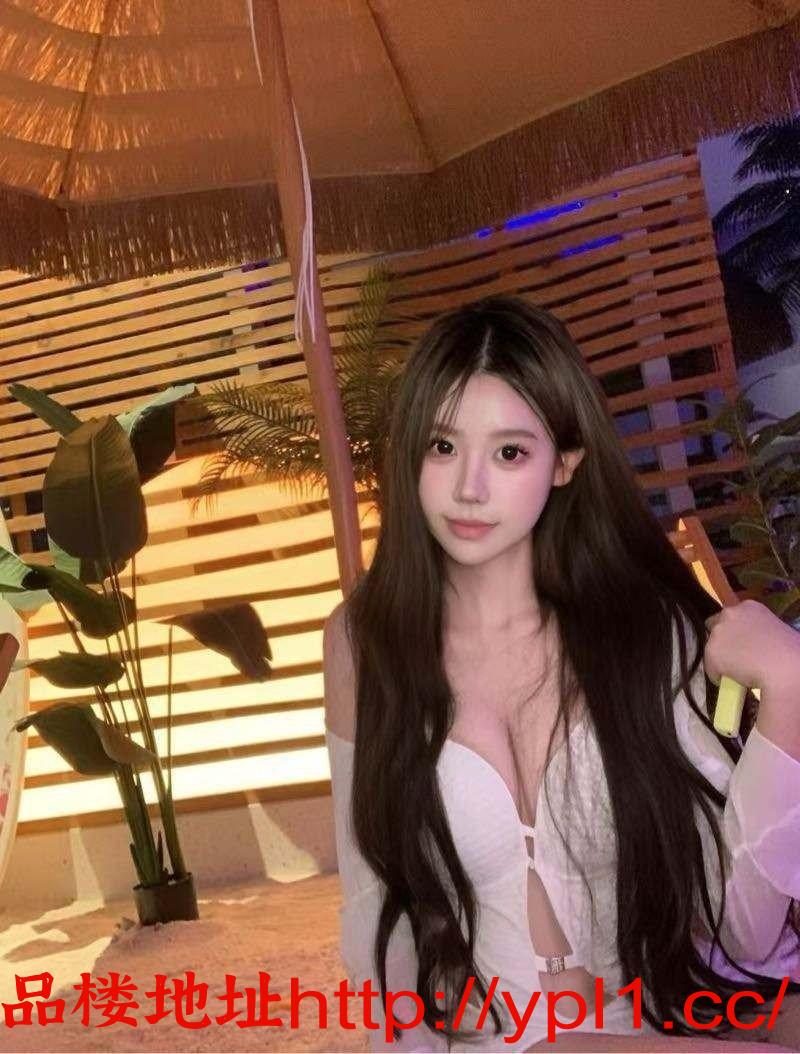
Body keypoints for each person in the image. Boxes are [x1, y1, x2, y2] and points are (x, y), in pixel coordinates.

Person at [323, 294, 800, 1052]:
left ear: (566, 462)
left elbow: (740, 933)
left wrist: (790, 696)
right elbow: (374, 907)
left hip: (667, 1011)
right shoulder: (365, 641)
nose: (469, 487)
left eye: (509, 453)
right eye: (442, 446)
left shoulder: (643, 630)